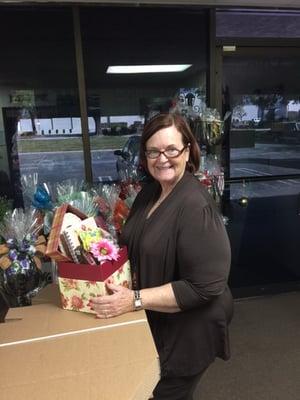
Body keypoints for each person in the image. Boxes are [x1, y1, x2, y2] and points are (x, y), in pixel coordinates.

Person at [90, 113, 234, 400]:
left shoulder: (195, 206)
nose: (162, 159)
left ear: (188, 150)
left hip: (190, 331)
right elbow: (138, 242)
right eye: (153, 151)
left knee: (165, 394)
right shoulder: (149, 193)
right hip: (158, 321)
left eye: (171, 149)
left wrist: (134, 299)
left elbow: (204, 286)